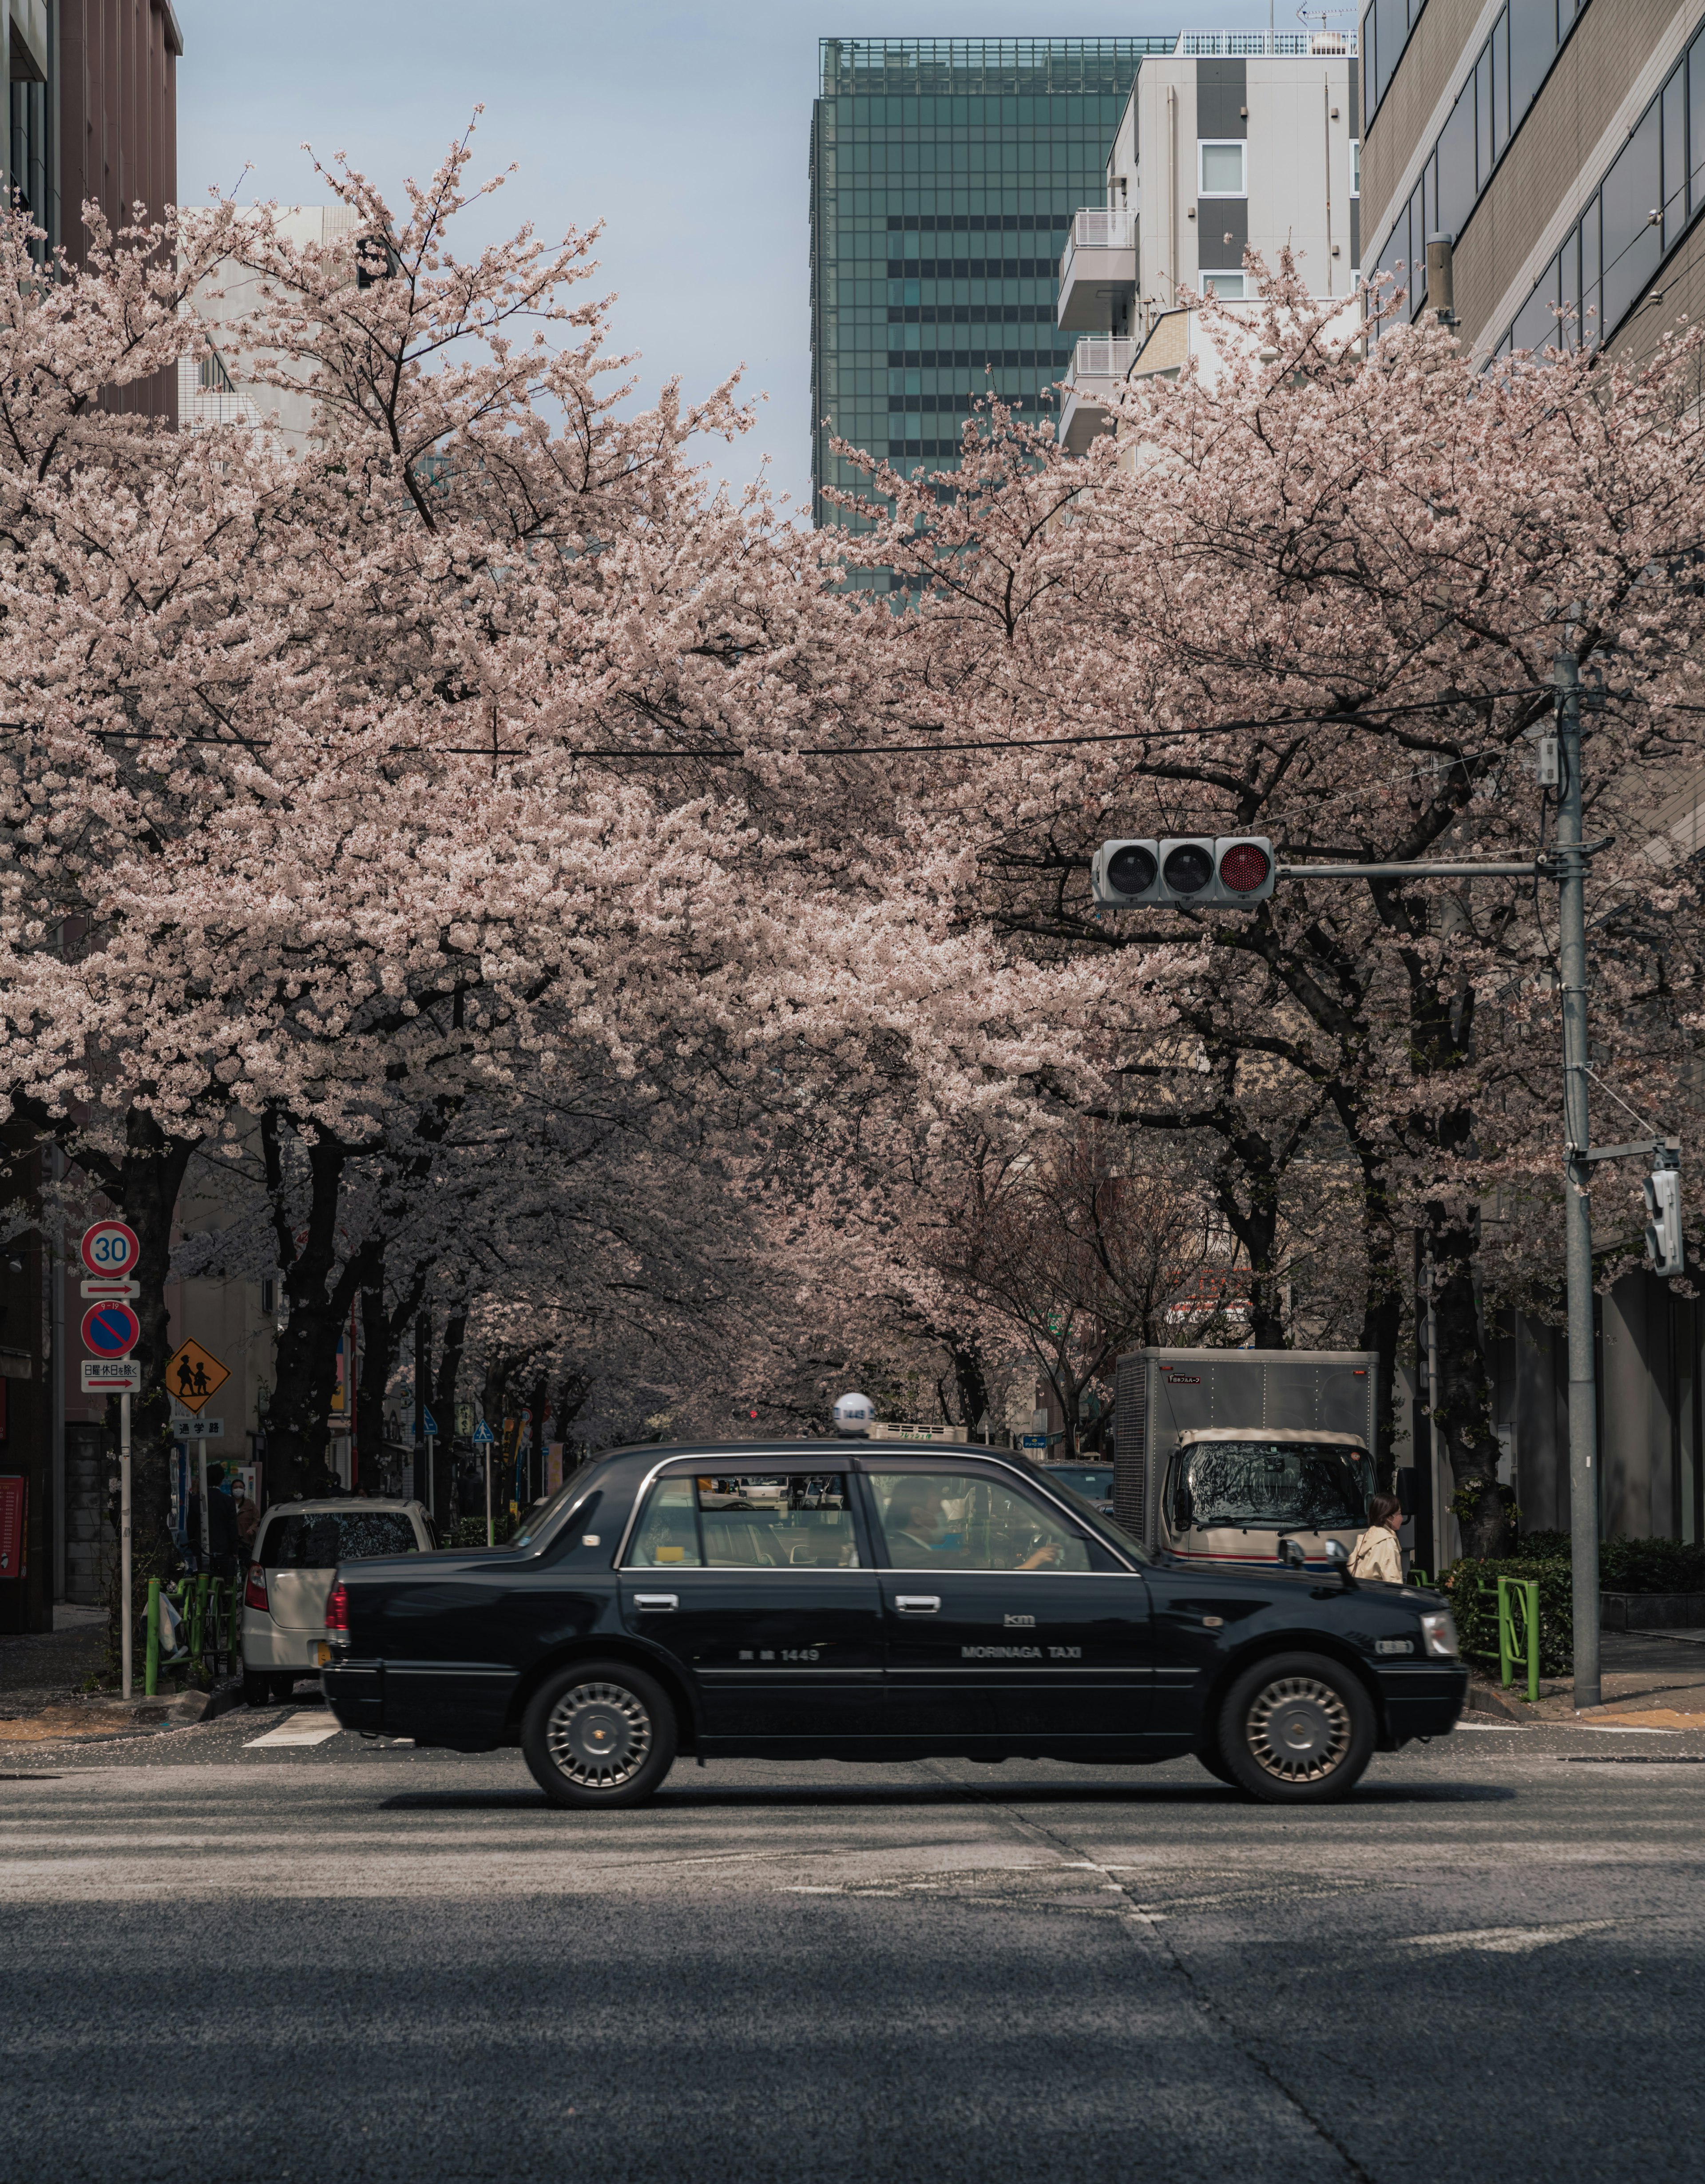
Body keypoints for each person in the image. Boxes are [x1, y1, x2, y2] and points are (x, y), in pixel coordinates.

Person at [1348, 1493, 1405, 1583]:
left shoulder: (1367, 1537)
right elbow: (1393, 1580)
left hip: (1362, 1593)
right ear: (1388, 1516)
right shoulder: (1387, 1541)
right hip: (1378, 1595)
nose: (1401, 1518)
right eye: (1399, 1514)